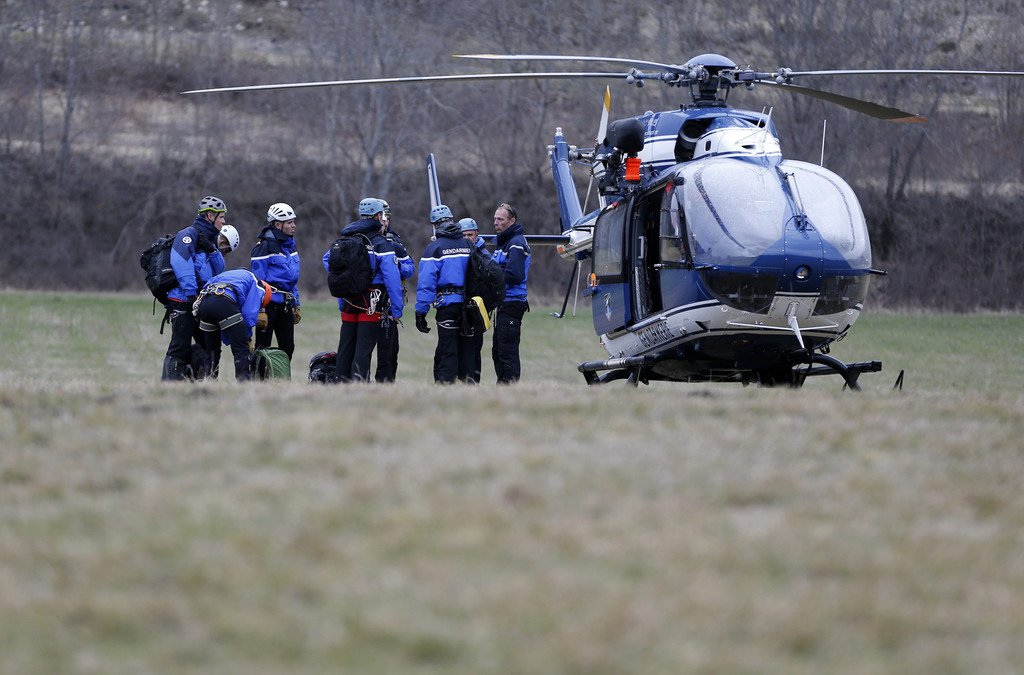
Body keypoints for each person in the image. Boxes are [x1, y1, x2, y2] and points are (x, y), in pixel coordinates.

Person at [322, 197, 404, 382]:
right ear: (378, 216)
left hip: (349, 300)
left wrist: (350, 279)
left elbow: (327, 260)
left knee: (346, 345)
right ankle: (359, 383)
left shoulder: (347, 238)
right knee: (364, 347)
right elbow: (392, 278)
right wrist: (397, 308)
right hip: (371, 300)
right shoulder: (381, 243)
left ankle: (341, 382)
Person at [161, 195, 229, 381]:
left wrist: (212, 250)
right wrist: (191, 294)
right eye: (221, 217)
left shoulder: (210, 239)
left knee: (207, 346)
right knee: (179, 347)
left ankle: (199, 385)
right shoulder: (188, 234)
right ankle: (169, 386)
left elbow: (219, 270)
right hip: (183, 300)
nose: (224, 221)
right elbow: (181, 263)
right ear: (210, 216)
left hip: (199, 301)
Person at [415, 205, 474, 384]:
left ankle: (445, 387)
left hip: (448, 305)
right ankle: (469, 386)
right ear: (452, 220)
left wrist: (421, 312)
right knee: (468, 350)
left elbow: (426, 284)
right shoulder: (468, 245)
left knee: (447, 349)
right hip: (469, 306)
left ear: (435, 225)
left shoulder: (434, 248)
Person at [193, 269, 272, 382]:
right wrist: (246, 337)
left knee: (212, 350)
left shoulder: (231, 275)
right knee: (241, 348)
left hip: (205, 303)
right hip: (224, 301)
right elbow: (247, 315)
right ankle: (244, 382)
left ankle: (209, 380)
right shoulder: (257, 285)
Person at [250, 202, 301, 362]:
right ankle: (258, 375)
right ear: (278, 225)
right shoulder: (263, 247)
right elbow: (257, 281)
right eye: (289, 222)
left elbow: (292, 281)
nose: (294, 226)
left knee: (288, 347)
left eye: (293, 222)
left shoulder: (290, 246)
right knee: (262, 347)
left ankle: (281, 375)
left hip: (286, 304)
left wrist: (296, 303)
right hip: (268, 304)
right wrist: (260, 309)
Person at [374, 201, 415, 383]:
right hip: (367, 302)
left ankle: (386, 384)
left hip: (389, 304)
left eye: (387, 218)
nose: (385, 222)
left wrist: (394, 267)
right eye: (382, 218)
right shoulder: (362, 239)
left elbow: (410, 268)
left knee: (389, 351)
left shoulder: (395, 242)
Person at [491, 202, 531, 383]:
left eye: (500, 219)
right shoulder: (504, 242)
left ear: (512, 221)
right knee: (498, 350)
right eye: (495, 219)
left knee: (507, 352)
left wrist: (491, 276)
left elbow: (515, 275)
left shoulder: (516, 243)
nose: (496, 222)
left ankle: (510, 388)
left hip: (512, 302)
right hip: (503, 303)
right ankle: (502, 387)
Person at [457, 217, 488, 384]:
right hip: (459, 307)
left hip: (476, 310)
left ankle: (474, 383)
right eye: (464, 235)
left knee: (475, 348)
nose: (467, 238)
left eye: (470, 235)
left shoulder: (485, 255)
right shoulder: (456, 255)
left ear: (476, 234)